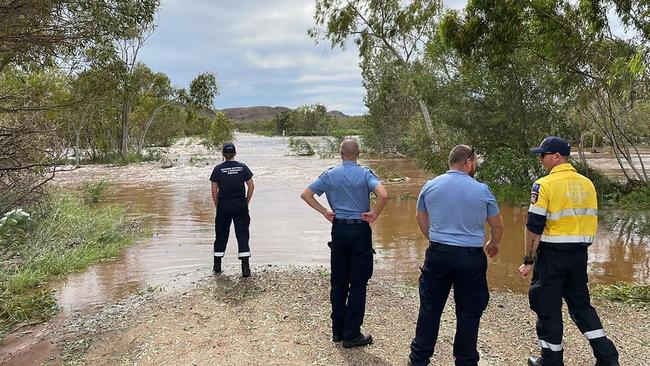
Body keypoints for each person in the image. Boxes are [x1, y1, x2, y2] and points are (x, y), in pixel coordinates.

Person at [519, 136, 619, 366]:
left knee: (547, 306)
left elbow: (534, 228)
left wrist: (528, 260)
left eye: (543, 155)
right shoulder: (588, 183)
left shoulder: (544, 185)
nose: (541, 159)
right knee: (581, 305)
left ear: (556, 157)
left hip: (552, 256)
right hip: (579, 256)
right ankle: (608, 357)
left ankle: (551, 360)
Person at [408, 144, 503, 366]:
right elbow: (497, 224)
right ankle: (466, 361)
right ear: (468, 163)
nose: (475, 165)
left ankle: (419, 359)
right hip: (470, 257)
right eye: (475, 162)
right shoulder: (482, 190)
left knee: (430, 308)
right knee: (469, 312)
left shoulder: (430, 186)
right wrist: (494, 243)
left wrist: (432, 238)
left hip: (439, 254)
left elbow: (420, 217)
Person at [300, 138, 388, 349]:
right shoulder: (365, 173)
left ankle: (337, 332)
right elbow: (384, 194)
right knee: (358, 283)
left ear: (341, 154)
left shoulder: (330, 174)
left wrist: (325, 212)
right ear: (358, 154)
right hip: (359, 229)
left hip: (338, 228)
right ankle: (352, 334)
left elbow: (306, 194)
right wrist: (374, 213)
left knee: (339, 282)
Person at [209, 142, 255, 277]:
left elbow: (213, 191)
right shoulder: (242, 167)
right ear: (235, 153)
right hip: (240, 204)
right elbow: (251, 186)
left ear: (223, 154)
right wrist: (246, 202)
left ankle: (217, 266)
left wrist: (218, 206)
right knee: (242, 234)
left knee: (221, 234)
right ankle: (245, 268)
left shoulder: (217, 169)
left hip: (224, 205)